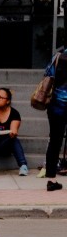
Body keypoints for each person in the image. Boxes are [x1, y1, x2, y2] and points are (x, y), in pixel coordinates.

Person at [41, 47, 67, 191]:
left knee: (55, 141)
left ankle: (51, 179)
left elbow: (47, 74)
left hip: (57, 105)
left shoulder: (58, 56)